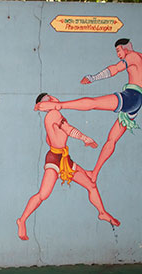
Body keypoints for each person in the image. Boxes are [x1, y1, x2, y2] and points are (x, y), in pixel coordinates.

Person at [34, 38, 142, 184]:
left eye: (118, 51)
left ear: (126, 48)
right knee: (112, 139)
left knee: (93, 103)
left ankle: (60, 105)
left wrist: (93, 77)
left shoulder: (132, 56)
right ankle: (94, 173)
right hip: (137, 102)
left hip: (131, 96)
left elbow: (115, 69)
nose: (118, 54)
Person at [17, 93, 119, 241]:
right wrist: (85, 138)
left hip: (65, 159)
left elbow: (57, 134)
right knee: (43, 195)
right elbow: (68, 129)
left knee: (91, 185)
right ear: (45, 104)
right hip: (54, 159)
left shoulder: (54, 114)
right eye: (48, 99)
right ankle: (22, 220)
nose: (52, 98)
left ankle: (102, 212)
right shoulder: (53, 115)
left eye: (50, 96)